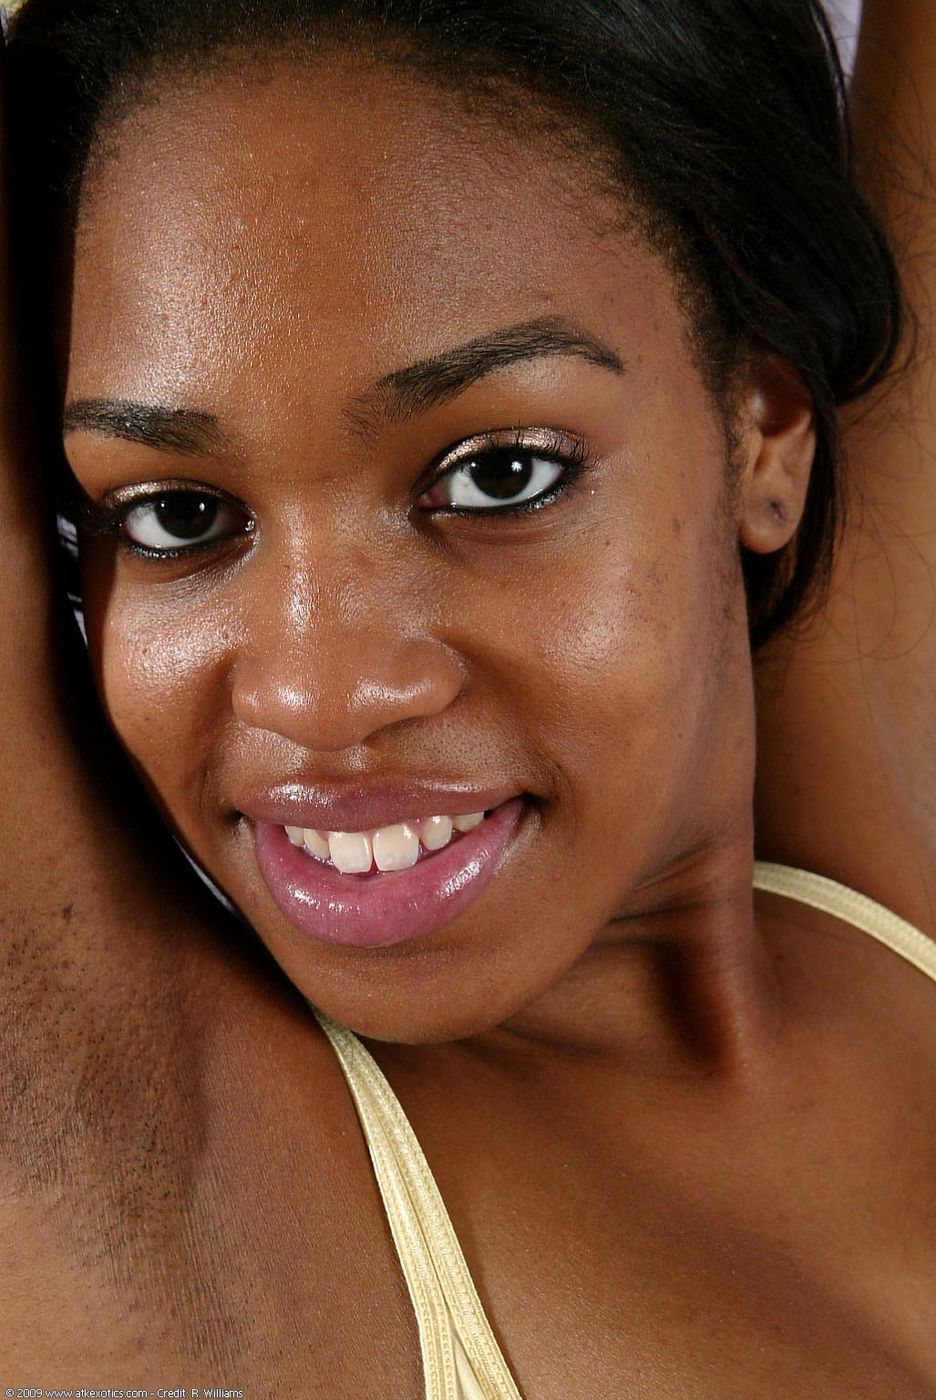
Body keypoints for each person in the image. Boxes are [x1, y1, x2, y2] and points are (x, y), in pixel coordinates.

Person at [0, 0, 932, 1394]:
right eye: (179, 514)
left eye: (501, 476)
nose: (320, 694)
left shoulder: (876, 880)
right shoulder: (181, 1193)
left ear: (765, 435)